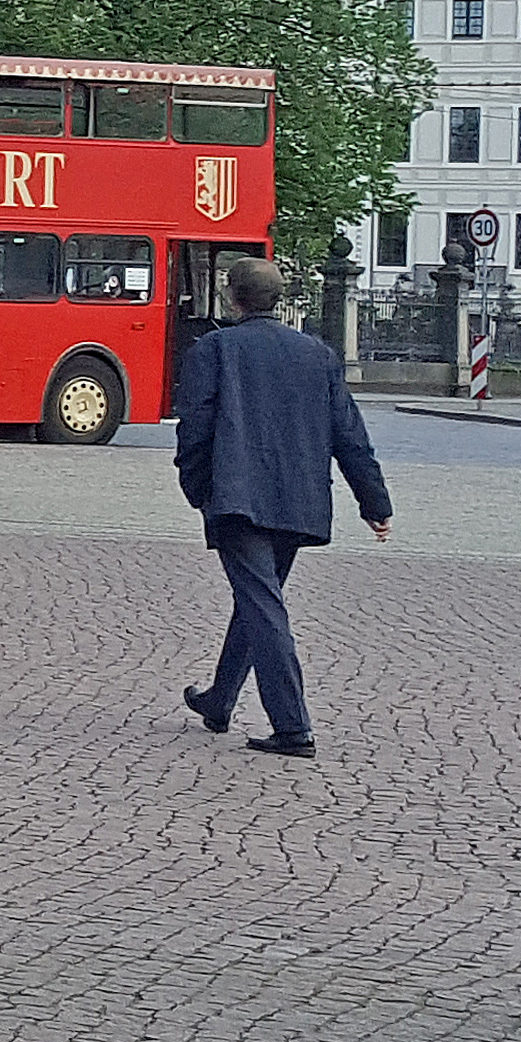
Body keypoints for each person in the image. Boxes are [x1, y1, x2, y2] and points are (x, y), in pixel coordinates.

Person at [172, 261, 393, 757]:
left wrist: (197, 489)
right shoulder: (317, 354)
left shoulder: (214, 349)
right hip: (299, 500)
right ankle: (219, 699)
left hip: (236, 497)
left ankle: (293, 726)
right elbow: (349, 434)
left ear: (233, 298)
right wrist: (374, 502)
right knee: (259, 600)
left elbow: (194, 429)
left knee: (263, 605)